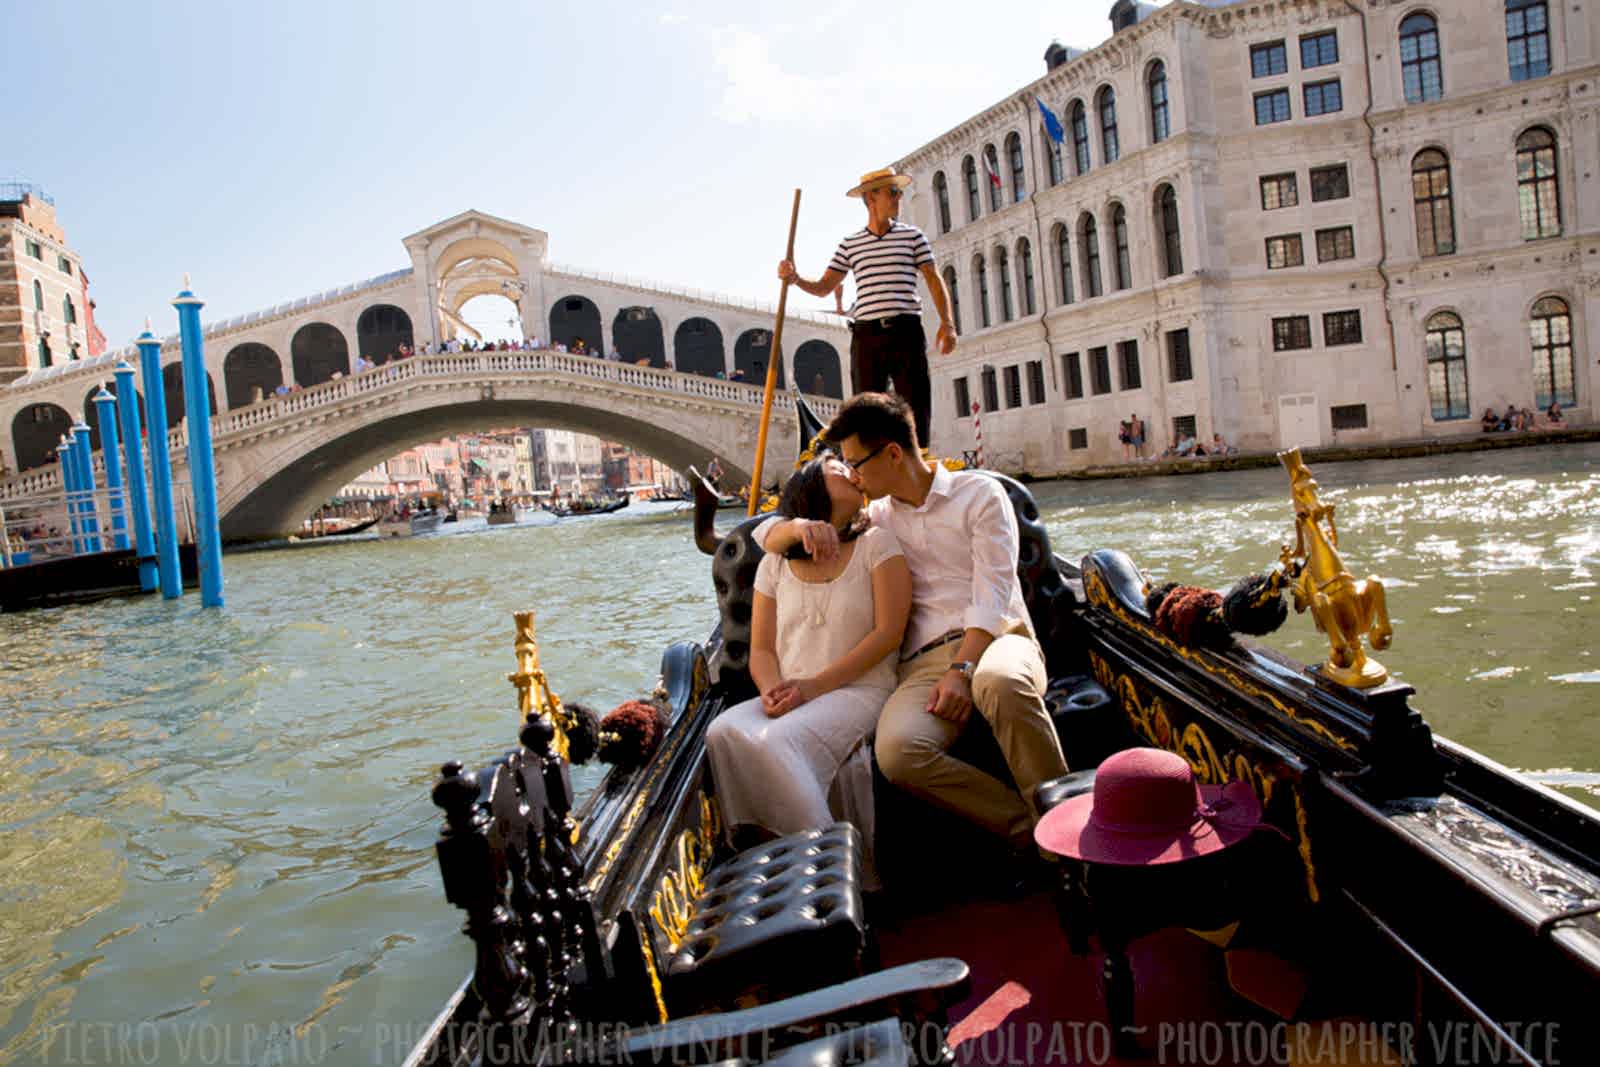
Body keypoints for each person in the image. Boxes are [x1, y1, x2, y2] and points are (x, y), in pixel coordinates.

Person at [753, 393, 1066, 854]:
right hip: (920, 665)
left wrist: (962, 671)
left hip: (998, 639)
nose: (853, 476)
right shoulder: (874, 519)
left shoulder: (980, 494)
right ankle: (1034, 833)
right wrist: (797, 529)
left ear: (894, 453)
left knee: (998, 684)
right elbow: (765, 533)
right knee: (898, 755)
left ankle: (1069, 837)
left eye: (856, 463)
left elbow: (993, 593)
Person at [705, 456, 911, 837]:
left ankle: (824, 853)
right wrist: (770, 691)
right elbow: (763, 650)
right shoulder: (775, 563)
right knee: (721, 732)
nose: (853, 473)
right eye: (839, 470)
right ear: (813, 487)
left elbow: (888, 634)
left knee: (780, 740)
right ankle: (765, 847)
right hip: (794, 691)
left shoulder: (877, 544)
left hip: (862, 689)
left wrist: (812, 687)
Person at [778, 167, 956, 445]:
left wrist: (948, 324)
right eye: (893, 192)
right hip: (867, 335)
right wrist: (795, 279)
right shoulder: (850, 244)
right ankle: (873, 470)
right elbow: (824, 287)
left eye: (898, 192)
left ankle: (920, 462)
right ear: (872, 198)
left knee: (915, 403)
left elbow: (934, 280)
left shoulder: (913, 237)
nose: (899, 197)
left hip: (905, 330)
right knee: (865, 408)